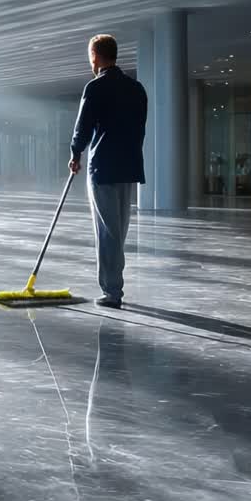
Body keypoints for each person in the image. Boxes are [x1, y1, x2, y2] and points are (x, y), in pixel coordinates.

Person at [68, 34, 148, 308]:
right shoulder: (136, 89)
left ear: (96, 56)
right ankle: (114, 286)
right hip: (128, 166)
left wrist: (75, 153)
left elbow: (83, 126)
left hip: (102, 167)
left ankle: (112, 291)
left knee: (107, 230)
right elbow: (139, 128)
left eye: (90, 56)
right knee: (119, 230)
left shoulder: (95, 87)